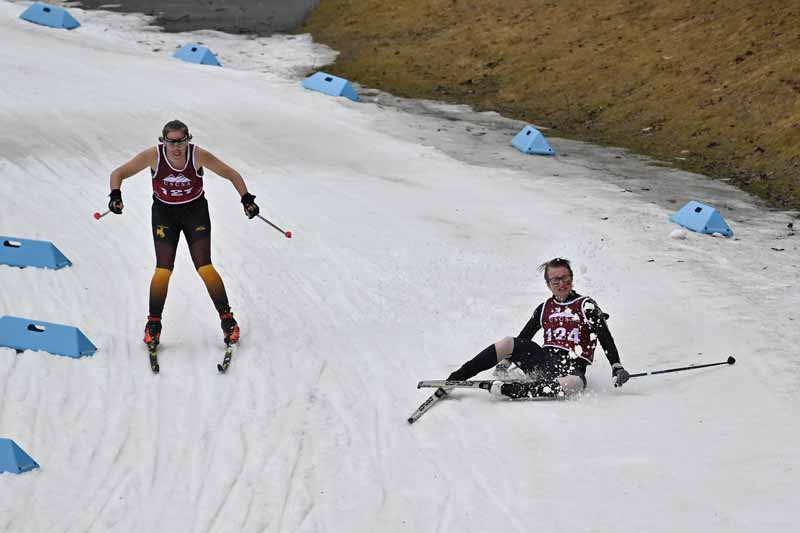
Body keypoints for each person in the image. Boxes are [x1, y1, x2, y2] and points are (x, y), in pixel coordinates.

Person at [107, 119, 260, 347]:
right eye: (171, 142)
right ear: (163, 141)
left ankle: (227, 320)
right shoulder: (153, 156)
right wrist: (115, 195)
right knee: (163, 270)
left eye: (181, 142)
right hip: (164, 214)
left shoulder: (198, 156)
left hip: (194, 213)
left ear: (189, 140)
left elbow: (231, 173)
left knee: (204, 266)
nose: (177, 148)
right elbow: (118, 173)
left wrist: (246, 199)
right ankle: (154, 325)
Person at [447, 257, 630, 399]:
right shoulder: (544, 308)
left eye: (565, 279)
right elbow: (524, 337)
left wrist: (617, 366)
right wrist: (505, 362)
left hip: (571, 366)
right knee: (507, 342)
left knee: (575, 384)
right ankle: (457, 377)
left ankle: (513, 390)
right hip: (543, 361)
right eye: (555, 280)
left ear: (572, 279)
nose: (561, 284)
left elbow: (604, 335)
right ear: (548, 284)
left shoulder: (586, 305)